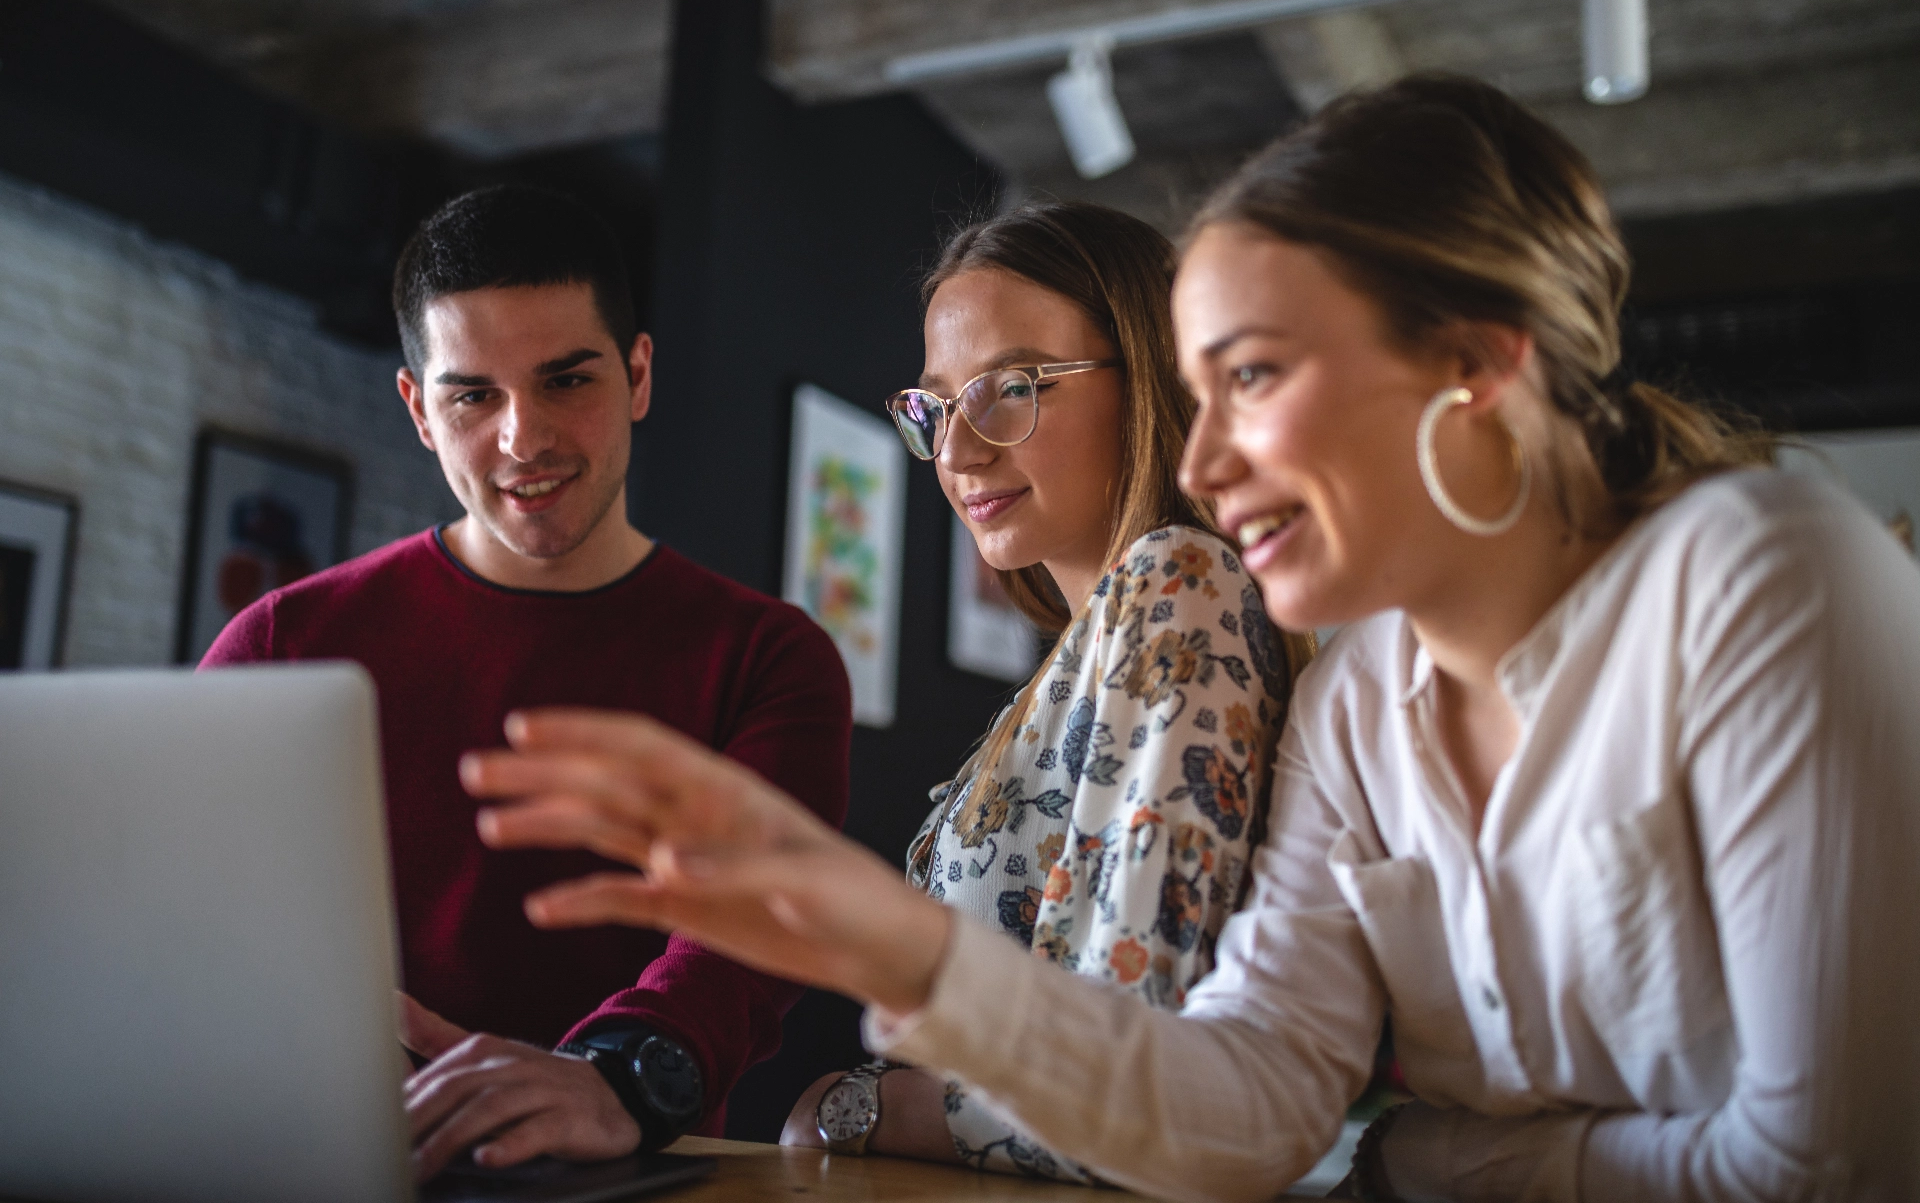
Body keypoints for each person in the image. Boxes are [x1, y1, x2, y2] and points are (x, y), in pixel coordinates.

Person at [455, 77, 1920, 1201]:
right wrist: (905, 948)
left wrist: (1431, 1157)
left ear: (1473, 364)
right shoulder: (1360, 703)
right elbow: (1255, 1108)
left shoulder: (1763, 576)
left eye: (1255, 378)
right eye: (1199, 397)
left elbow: (1825, 1167)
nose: (1205, 463)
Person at [200, 185, 852, 1180]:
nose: (524, 437)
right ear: (420, 411)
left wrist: (617, 1075)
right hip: (330, 1162)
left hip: (622, 1180)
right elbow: (196, 920)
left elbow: (753, 926)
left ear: (638, 376)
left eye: (567, 380)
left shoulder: (771, 657)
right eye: (474, 396)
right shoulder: (284, 642)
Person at [775, 202, 1308, 1180]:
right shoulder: (1090, 642)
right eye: (937, 407)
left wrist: (861, 1107)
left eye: (1011, 389)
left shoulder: (1176, 584)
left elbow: (1122, 1091)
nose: (959, 451)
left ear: (1150, 375)